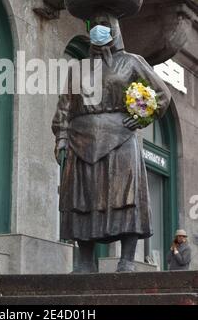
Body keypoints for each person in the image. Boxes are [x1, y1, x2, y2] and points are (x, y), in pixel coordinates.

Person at [52, 14, 171, 272]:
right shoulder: (78, 68)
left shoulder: (132, 62)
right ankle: (84, 260)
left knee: (125, 197)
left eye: (104, 25)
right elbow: (64, 107)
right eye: (94, 25)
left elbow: (162, 95)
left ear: (115, 30)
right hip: (81, 140)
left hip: (120, 140)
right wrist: (61, 138)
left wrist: (141, 118)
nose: (98, 30)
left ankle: (127, 259)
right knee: (83, 199)